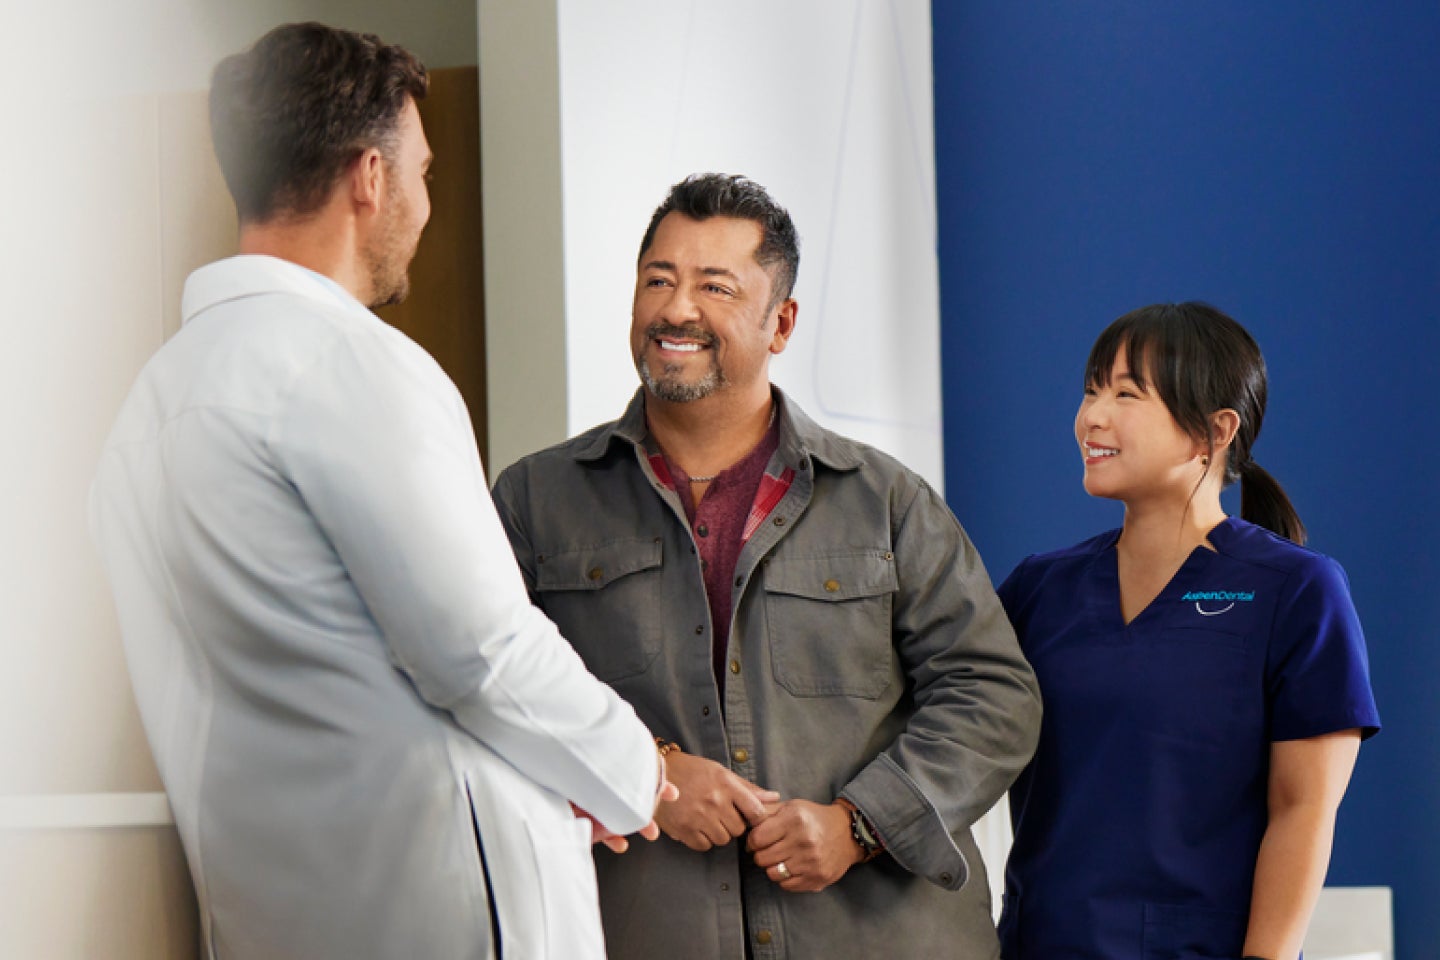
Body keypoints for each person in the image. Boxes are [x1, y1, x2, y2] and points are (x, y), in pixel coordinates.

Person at [88, 22, 672, 960]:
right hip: (442, 918)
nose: (425, 204)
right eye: (424, 173)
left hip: (279, 916)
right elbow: (479, 652)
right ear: (370, 177)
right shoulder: (348, 364)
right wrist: (633, 770)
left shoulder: (143, 416)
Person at [491, 173, 1041, 959]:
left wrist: (861, 824)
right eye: (658, 281)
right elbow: (488, 690)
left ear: (780, 323)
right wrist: (647, 770)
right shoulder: (535, 500)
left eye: (715, 286)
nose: (677, 309)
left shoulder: (886, 500)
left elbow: (995, 695)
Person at [996, 303, 1381, 960]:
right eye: (1091, 389)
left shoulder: (1296, 591)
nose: (1092, 416)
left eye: (1126, 393)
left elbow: (1303, 811)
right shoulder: (1039, 589)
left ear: (1213, 430)